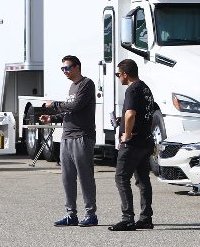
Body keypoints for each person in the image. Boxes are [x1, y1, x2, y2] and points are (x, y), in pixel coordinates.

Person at [40, 55, 98, 227]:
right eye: (62, 69)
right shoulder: (72, 87)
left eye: (67, 68)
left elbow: (75, 106)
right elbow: (69, 112)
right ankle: (71, 214)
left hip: (82, 136)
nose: (64, 71)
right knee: (67, 178)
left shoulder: (86, 84)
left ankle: (91, 215)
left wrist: (53, 105)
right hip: (67, 136)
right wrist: (52, 118)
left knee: (85, 177)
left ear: (77, 67)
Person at [109, 59, 155, 231]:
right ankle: (146, 218)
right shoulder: (145, 89)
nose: (118, 77)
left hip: (133, 143)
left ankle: (127, 218)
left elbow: (130, 114)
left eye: (118, 74)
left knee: (121, 178)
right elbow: (147, 112)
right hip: (145, 141)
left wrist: (126, 135)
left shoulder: (132, 89)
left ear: (125, 74)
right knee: (143, 180)